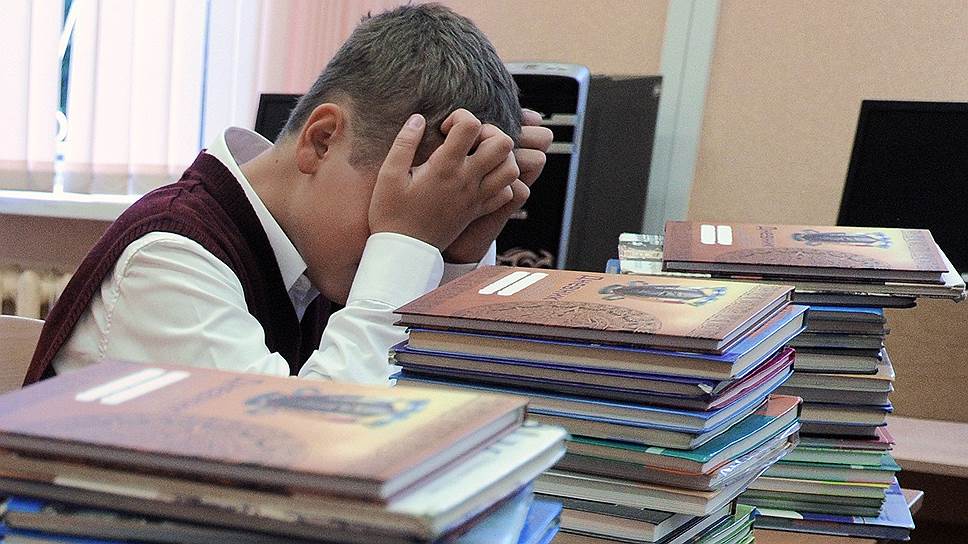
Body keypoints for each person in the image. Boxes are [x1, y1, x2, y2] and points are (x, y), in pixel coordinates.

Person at [24, 4, 552, 386]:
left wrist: (455, 256)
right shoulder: (167, 262)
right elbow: (313, 452)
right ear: (322, 140)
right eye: (396, 204)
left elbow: (444, 432)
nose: (408, 233)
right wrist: (405, 245)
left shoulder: (313, 254)